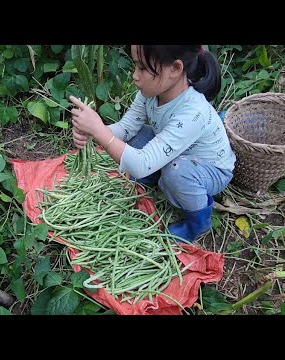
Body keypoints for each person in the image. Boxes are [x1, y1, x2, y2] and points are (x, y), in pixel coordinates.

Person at [69, 45, 236, 242]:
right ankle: (158, 176)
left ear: (175, 69)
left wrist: (99, 130)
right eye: (135, 65)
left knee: (176, 172)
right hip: (177, 155)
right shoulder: (150, 93)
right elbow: (126, 128)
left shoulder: (193, 111)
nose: (135, 76)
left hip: (210, 170)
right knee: (135, 138)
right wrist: (93, 132)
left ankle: (198, 222)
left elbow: (140, 165)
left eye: (142, 68)